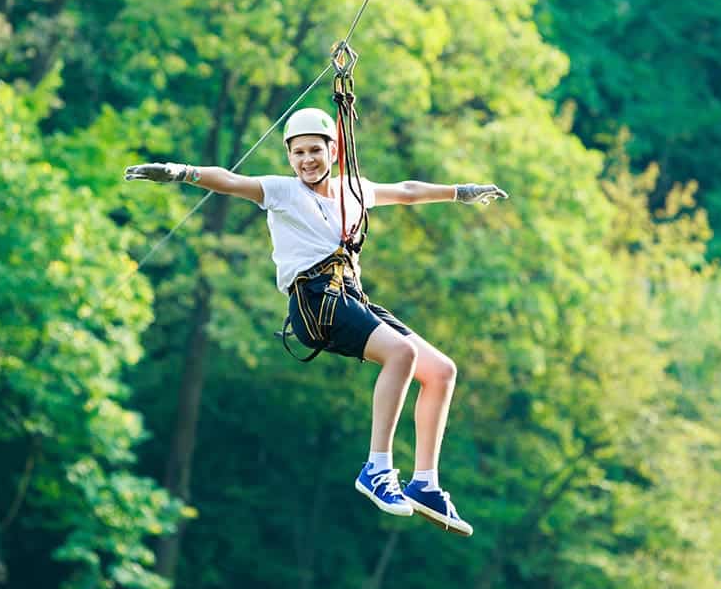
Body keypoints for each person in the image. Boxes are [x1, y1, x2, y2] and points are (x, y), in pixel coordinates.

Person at [124, 107, 506, 536]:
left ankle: (425, 484)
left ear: (334, 150)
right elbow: (229, 181)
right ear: (289, 157)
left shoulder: (354, 190)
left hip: (348, 296)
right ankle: (377, 470)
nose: (306, 160)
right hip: (313, 302)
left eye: (315, 151)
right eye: (298, 153)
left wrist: (460, 192)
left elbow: (407, 190)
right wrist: (178, 172)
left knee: (440, 372)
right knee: (402, 352)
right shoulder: (283, 192)